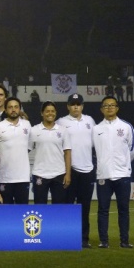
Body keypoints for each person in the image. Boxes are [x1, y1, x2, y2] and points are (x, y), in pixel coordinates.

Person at [93, 96, 134, 249]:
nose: (109, 107)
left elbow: (133, 150)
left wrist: (123, 165)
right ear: (101, 109)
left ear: (117, 108)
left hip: (123, 175)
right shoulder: (96, 129)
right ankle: (103, 241)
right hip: (103, 176)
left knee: (123, 210)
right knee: (103, 210)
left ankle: (124, 241)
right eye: (106, 105)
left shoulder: (126, 127)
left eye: (112, 105)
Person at [57, 93, 96, 248]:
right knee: (68, 206)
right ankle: (67, 237)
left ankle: (84, 239)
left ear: (82, 106)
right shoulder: (61, 122)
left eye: (78, 104)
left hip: (87, 170)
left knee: (84, 206)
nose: (75, 107)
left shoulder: (90, 121)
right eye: (73, 104)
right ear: (68, 106)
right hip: (70, 170)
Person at [0, 97, 31, 204]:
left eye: (16, 107)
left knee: (22, 213)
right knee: (6, 214)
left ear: (19, 109)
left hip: (23, 177)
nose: (13, 110)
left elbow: (30, 146)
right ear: (6, 110)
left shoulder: (27, 124)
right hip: (4, 178)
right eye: (10, 107)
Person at [29, 101, 71, 204]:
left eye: (52, 111)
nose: (50, 113)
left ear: (56, 113)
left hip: (59, 174)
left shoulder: (63, 130)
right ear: (42, 113)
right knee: (40, 209)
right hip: (40, 174)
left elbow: (67, 153)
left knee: (58, 209)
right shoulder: (34, 130)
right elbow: (26, 150)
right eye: (47, 111)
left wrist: (68, 174)